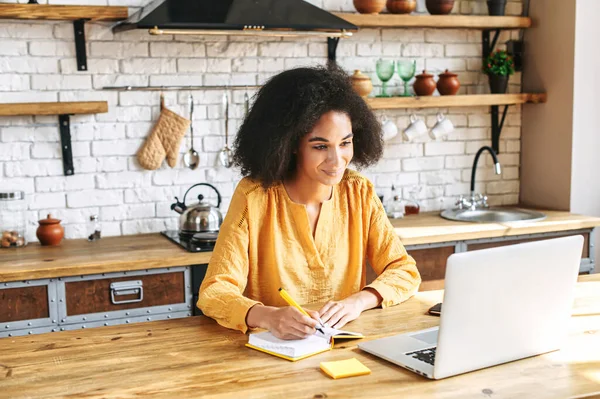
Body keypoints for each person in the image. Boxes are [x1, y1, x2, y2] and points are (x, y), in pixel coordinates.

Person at [197, 65, 421, 340]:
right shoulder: (254, 196)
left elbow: (404, 270)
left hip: (346, 348)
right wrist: (268, 316)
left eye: (345, 143)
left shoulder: (358, 192)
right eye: (320, 146)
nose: (337, 160)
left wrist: (360, 301)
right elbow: (214, 291)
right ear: (289, 144)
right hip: (275, 353)